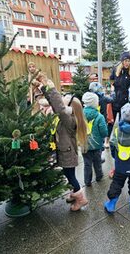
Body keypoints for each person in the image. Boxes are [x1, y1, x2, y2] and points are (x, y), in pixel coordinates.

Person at [38, 77, 89, 211]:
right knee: (69, 174)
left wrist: (52, 87)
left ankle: (81, 199)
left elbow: (59, 107)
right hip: (67, 151)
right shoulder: (69, 116)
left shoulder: (68, 118)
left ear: (70, 107)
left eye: (65, 99)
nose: (63, 98)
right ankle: (74, 194)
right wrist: (44, 88)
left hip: (67, 153)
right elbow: (55, 105)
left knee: (70, 176)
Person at [81, 92, 108, 187]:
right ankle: (99, 176)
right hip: (97, 145)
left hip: (84, 144)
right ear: (95, 103)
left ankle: (87, 181)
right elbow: (104, 132)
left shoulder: (80, 115)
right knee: (97, 162)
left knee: (87, 164)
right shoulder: (99, 116)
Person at [110, 52, 130, 122]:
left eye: (129, 61)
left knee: (123, 121)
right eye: (126, 61)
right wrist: (112, 86)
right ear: (122, 61)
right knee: (113, 121)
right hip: (116, 99)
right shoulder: (116, 70)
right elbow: (111, 79)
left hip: (126, 101)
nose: (127, 63)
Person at [89, 82, 113, 149]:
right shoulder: (103, 98)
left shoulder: (89, 99)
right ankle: (99, 153)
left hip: (91, 121)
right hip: (102, 120)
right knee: (100, 137)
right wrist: (113, 93)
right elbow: (112, 100)